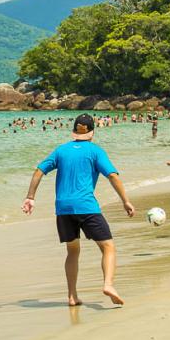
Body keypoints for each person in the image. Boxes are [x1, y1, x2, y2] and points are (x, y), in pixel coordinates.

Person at [22, 114, 136, 306]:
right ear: (92, 133)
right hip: (86, 207)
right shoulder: (95, 151)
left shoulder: (61, 151)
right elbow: (113, 176)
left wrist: (30, 197)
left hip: (63, 209)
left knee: (73, 251)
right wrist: (125, 201)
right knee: (108, 247)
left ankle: (72, 296)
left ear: (74, 131)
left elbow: (38, 171)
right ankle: (108, 284)